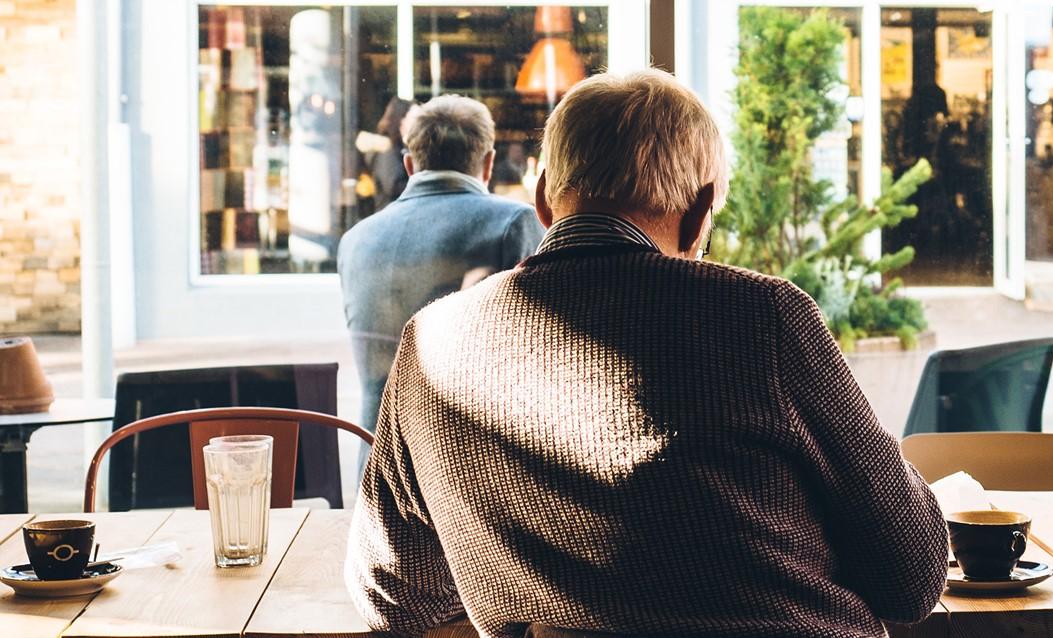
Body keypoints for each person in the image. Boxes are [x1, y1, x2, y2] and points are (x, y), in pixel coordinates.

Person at [344, 69, 948, 638]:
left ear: (544, 201)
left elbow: (391, 596)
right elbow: (912, 578)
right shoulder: (765, 318)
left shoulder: (432, 342)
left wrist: (528, 582)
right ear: (698, 213)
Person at [338, 95, 544, 438]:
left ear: (409, 165)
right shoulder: (512, 224)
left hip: (376, 466)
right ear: (489, 164)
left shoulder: (355, 239)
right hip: (467, 466)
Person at [370, 97, 417, 211]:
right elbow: (393, 186)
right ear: (401, 121)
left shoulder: (401, 148)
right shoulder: (388, 149)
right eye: (415, 119)